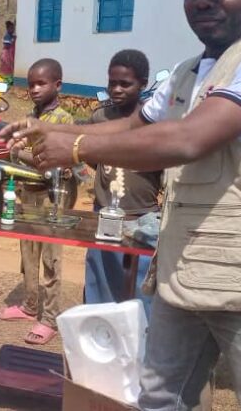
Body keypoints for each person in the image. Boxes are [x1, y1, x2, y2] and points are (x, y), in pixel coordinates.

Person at [3, 0, 241, 409]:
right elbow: (134, 127)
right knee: (161, 396)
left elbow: (188, 139)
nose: (204, 0)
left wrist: (74, 148)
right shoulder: (188, 72)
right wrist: (51, 129)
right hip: (184, 269)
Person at [0, 58, 75, 345]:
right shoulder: (30, 117)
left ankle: (50, 318)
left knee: (50, 258)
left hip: (52, 197)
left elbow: (48, 162)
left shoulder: (63, 120)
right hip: (27, 191)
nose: (35, 89)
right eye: (30, 84)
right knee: (27, 252)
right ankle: (30, 306)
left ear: (58, 85)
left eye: (41, 83)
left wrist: (18, 152)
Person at [83, 50, 161, 316]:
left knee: (140, 292)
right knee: (101, 282)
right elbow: (92, 157)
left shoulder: (153, 122)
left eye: (125, 84)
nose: (116, 89)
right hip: (104, 215)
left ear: (143, 83)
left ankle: (140, 348)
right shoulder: (100, 118)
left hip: (141, 218)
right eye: (112, 83)